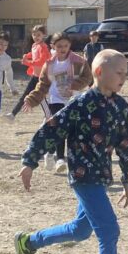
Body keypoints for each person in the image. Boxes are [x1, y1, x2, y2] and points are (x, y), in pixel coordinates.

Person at [13, 49, 128, 254]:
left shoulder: (121, 107)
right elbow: (51, 129)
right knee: (109, 230)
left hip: (101, 176)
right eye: (119, 73)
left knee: (80, 230)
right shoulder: (82, 104)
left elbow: (127, 144)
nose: (123, 77)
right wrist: (30, 161)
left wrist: (127, 178)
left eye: (126, 73)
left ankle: (29, 242)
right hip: (82, 176)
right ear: (99, 72)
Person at [19, 31, 90, 173]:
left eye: (65, 46)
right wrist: (32, 99)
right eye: (59, 46)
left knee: (71, 131)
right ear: (53, 46)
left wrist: (73, 86)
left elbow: (87, 78)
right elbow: (42, 85)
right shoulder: (49, 64)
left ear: (70, 45)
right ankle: (60, 159)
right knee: (58, 128)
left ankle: (51, 154)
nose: (63, 49)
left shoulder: (78, 61)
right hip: (55, 100)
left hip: (72, 100)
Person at [8, 25, 49, 120]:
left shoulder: (44, 47)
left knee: (40, 97)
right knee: (26, 95)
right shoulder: (35, 45)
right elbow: (33, 53)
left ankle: (49, 115)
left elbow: (41, 61)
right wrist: (27, 55)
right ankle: (13, 114)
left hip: (42, 78)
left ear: (44, 35)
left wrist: (28, 62)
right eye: (34, 35)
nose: (36, 37)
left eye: (38, 35)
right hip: (35, 77)